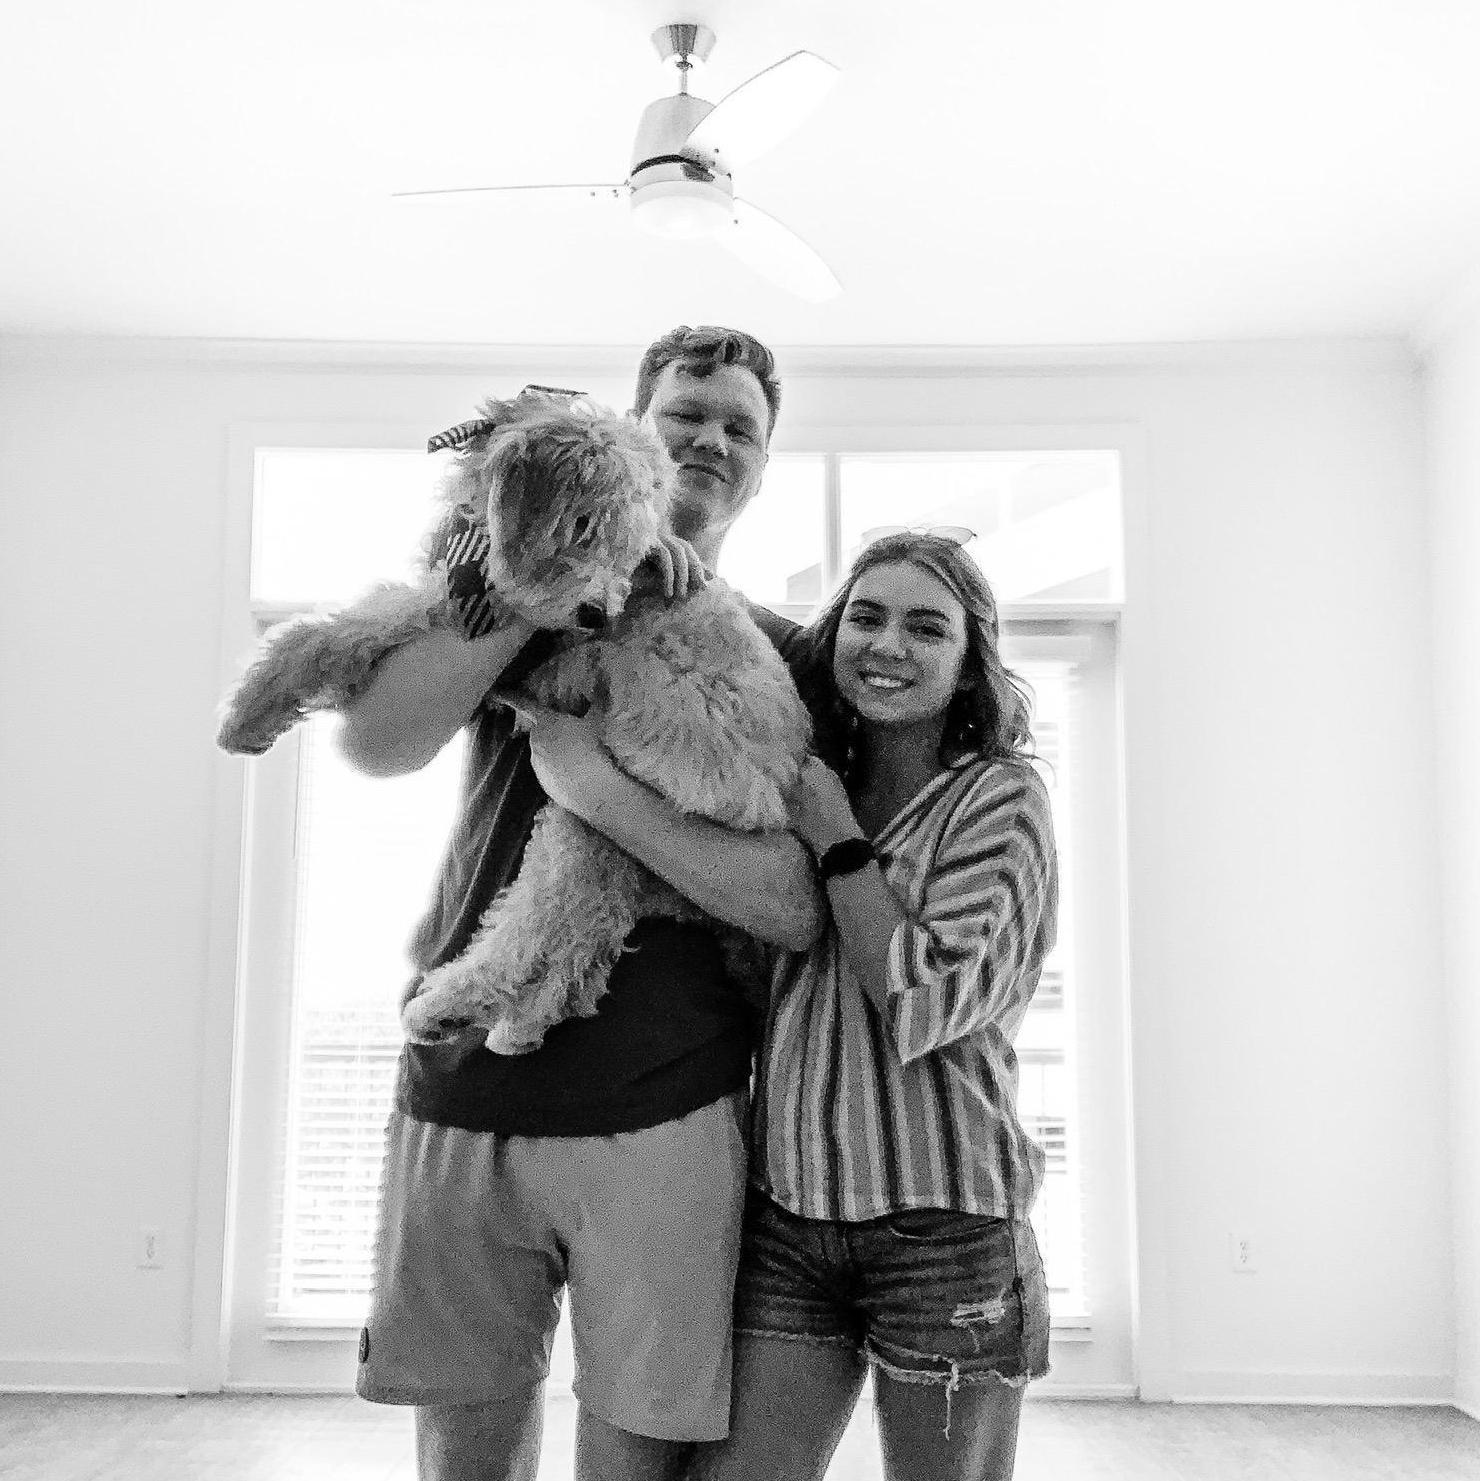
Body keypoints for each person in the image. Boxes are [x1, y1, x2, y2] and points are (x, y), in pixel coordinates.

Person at [341, 327, 823, 1481]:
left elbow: (794, 903)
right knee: (463, 1445)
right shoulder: (504, 594)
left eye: (739, 428)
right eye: (687, 413)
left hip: (671, 1100)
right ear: (635, 429)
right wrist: (551, 567)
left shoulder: (783, 655)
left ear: (761, 464)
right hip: (463, 1081)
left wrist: (595, 788)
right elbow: (374, 741)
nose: (710, 439)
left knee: (634, 1449)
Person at [689, 533, 1058, 1481]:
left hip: (946, 1234)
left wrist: (840, 841)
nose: (888, 644)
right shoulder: (804, 785)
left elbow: (926, 999)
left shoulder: (1000, 799)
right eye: (867, 615)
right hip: (788, 1218)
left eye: (925, 627)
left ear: (970, 660)